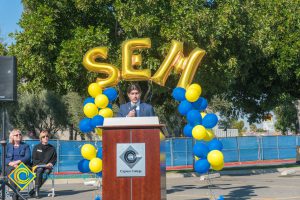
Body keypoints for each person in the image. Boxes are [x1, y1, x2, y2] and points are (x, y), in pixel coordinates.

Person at [5, 129, 31, 200]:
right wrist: (11, 164)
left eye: (20, 134)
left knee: (24, 172)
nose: (18, 136)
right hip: (10, 166)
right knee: (12, 171)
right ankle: (17, 195)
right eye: (16, 135)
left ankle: (15, 194)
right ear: (12, 137)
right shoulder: (8, 146)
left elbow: (27, 157)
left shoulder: (25, 146)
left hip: (23, 165)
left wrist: (17, 163)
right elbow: (3, 158)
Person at [31, 130, 57, 198]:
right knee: (39, 170)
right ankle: (36, 192)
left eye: (47, 136)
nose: (45, 138)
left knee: (47, 172)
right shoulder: (37, 147)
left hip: (47, 167)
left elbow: (54, 159)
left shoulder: (52, 148)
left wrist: (51, 163)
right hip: (38, 166)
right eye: (43, 136)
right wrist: (41, 164)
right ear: (41, 138)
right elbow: (34, 159)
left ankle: (35, 190)